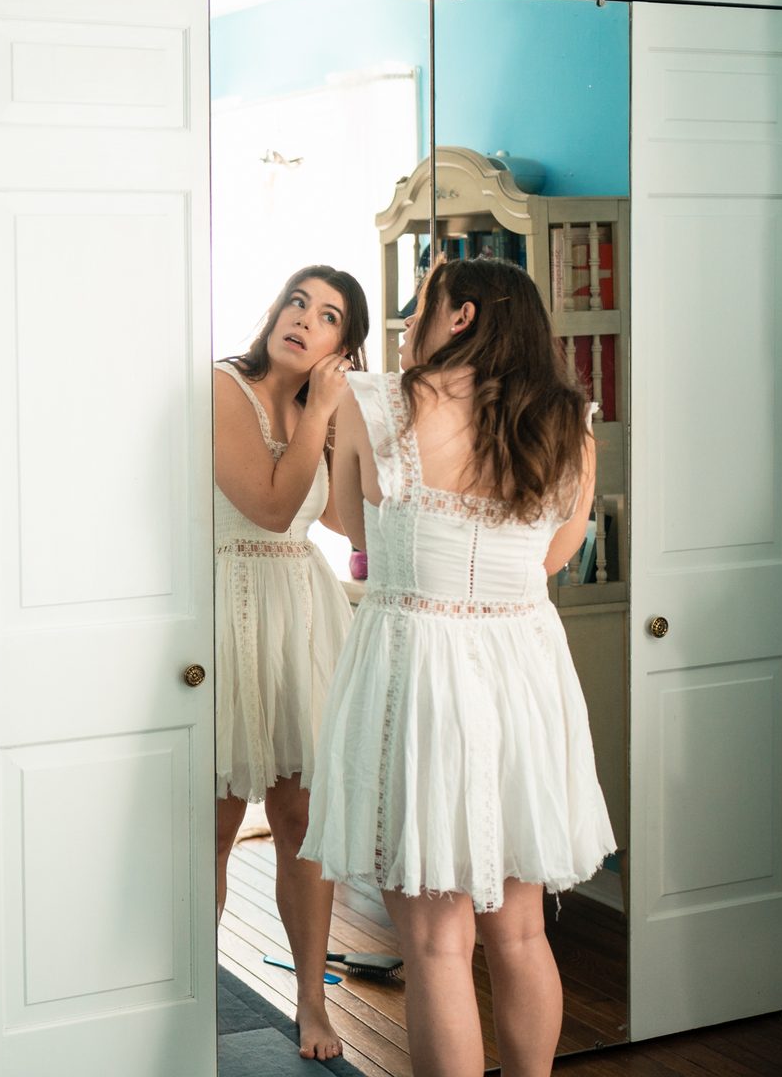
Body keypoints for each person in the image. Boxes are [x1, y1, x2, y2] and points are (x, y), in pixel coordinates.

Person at [300, 257, 615, 1077]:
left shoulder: (381, 405)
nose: (412, 323)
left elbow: (346, 523)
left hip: (420, 665)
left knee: (436, 943)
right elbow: (556, 554)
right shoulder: (569, 421)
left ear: (464, 316)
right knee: (519, 930)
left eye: (424, 306)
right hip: (524, 668)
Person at [211, 264, 365, 1062]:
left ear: (345, 345)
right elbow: (271, 508)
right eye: (298, 301)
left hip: (301, 615)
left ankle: (312, 1001)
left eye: (329, 315)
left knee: (302, 821)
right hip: (228, 610)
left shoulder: (321, 412)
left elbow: (339, 520)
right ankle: (189, 998)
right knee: (217, 822)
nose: (304, 318)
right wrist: (321, 417)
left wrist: (342, 427)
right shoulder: (222, 387)